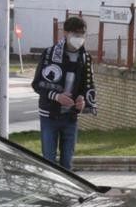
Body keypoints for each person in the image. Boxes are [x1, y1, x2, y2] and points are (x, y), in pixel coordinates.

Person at [33, 15, 96, 170]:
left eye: (82, 34)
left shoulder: (85, 58)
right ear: (65, 33)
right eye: (75, 34)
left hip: (70, 117)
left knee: (67, 161)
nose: (79, 38)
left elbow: (86, 85)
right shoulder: (49, 54)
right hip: (50, 115)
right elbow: (37, 84)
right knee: (49, 160)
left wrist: (82, 99)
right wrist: (57, 97)